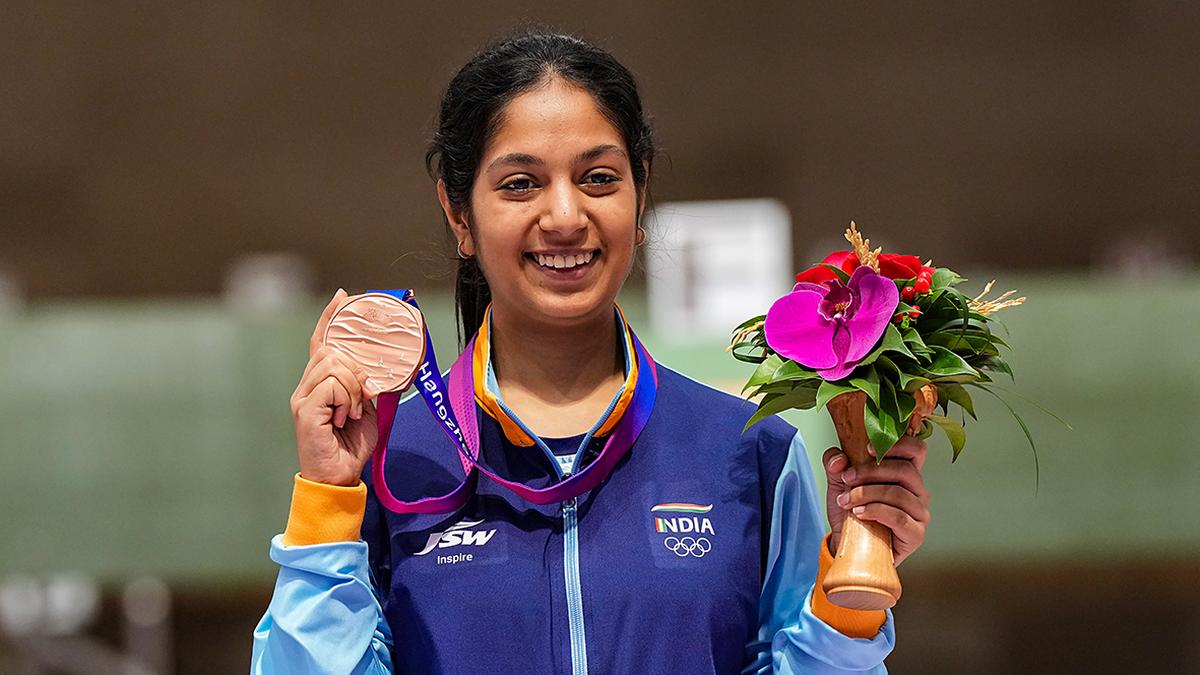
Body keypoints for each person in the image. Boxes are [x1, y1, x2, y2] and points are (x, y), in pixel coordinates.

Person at [251, 31, 930, 675]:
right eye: (520, 184)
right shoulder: (394, 463)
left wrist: (855, 574)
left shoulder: (749, 453)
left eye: (599, 178)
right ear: (460, 214)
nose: (566, 215)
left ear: (639, 194)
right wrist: (327, 501)